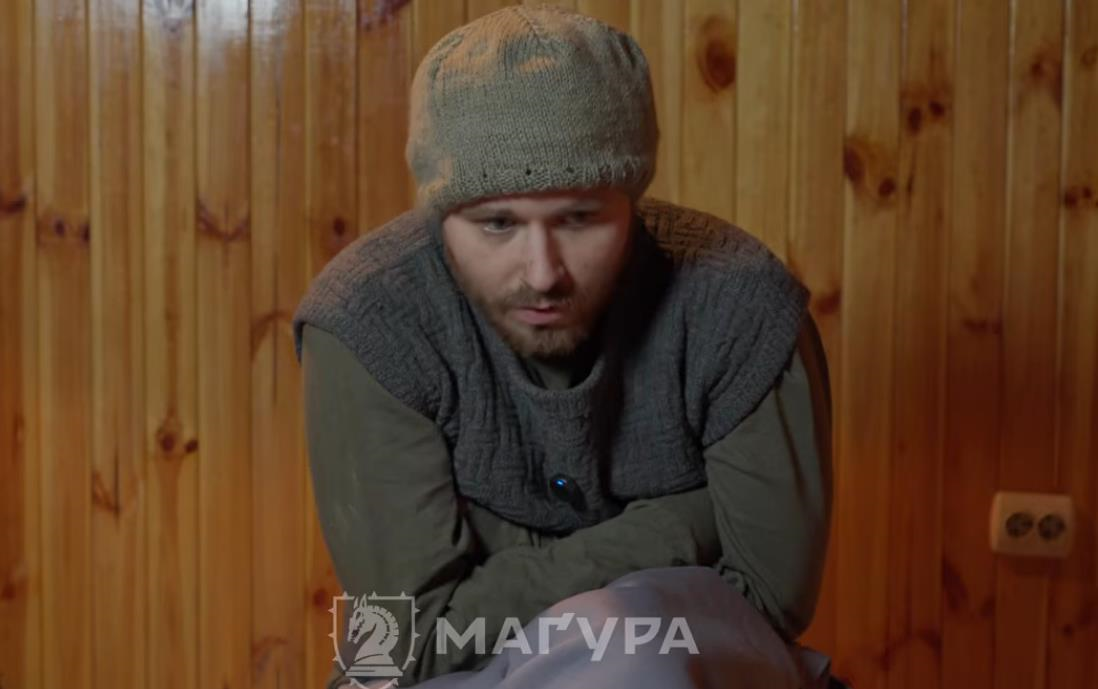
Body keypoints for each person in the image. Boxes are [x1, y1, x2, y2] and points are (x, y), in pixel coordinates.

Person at [293, 5, 834, 688]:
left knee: (632, 659)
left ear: (632, 201)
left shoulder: (741, 306)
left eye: (579, 218)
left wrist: (502, 556)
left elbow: (768, 603)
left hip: (668, 667)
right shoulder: (369, 319)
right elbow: (408, 642)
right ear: (439, 215)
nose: (543, 272)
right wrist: (687, 521)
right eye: (497, 224)